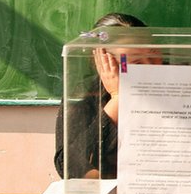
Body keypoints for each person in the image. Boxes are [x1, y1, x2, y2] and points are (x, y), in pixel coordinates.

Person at [54, 12, 162, 179]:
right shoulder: (85, 94)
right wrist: (117, 98)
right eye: (137, 62)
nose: (150, 67)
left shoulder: (179, 82)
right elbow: (68, 166)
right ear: (103, 62)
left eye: (153, 56)